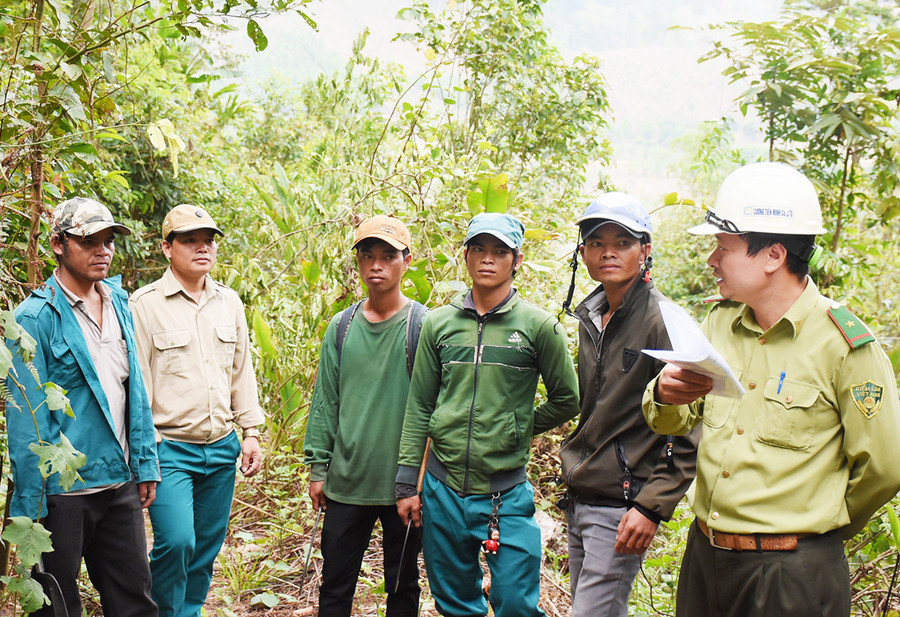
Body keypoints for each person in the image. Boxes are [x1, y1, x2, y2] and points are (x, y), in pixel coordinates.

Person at [642, 161, 900, 617]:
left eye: (724, 247)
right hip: (705, 557)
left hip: (791, 574)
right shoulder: (720, 323)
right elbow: (675, 421)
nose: (712, 260)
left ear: (773, 256)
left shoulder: (843, 345)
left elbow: (884, 468)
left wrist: (816, 532)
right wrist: (664, 393)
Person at [396, 212, 580, 617]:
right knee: (455, 603)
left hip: (505, 492)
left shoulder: (539, 327)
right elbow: (420, 404)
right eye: (478, 248)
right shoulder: (439, 324)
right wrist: (407, 482)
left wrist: (516, 427)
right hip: (442, 488)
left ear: (517, 260)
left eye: (500, 251)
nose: (487, 258)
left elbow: (568, 399)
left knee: (515, 602)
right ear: (465, 255)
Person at [6, 197, 160, 617]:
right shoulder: (33, 319)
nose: (102, 250)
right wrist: (32, 511)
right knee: (56, 606)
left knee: (135, 601)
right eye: (89, 241)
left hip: (119, 483)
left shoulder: (119, 302)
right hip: (63, 495)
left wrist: (145, 462)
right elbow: (26, 420)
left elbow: (134, 390)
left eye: (108, 241)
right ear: (59, 244)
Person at [558, 192, 699, 617]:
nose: (609, 253)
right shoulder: (592, 316)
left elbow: (690, 426)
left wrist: (651, 505)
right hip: (583, 495)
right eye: (597, 243)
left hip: (623, 504)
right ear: (583, 253)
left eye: (622, 243)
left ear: (645, 251)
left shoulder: (663, 321)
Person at [130, 204, 264, 617]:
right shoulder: (144, 305)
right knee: (177, 542)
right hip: (170, 449)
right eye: (190, 240)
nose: (202, 248)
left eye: (208, 240)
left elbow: (241, 371)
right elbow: (138, 386)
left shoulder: (229, 302)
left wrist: (251, 432)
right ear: (167, 248)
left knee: (206, 546)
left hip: (221, 448)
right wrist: (146, 452)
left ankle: (189, 611)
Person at [304, 214, 424, 617]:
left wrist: (421, 480)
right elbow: (326, 400)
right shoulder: (342, 326)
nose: (376, 265)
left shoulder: (424, 326)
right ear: (357, 262)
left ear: (407, 261)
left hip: (403, 487)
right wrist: (317, 467)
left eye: (388, 256)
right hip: (346, 483)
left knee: (403, 585)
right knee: (335, 586)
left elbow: (435, 409)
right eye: (367, 256)